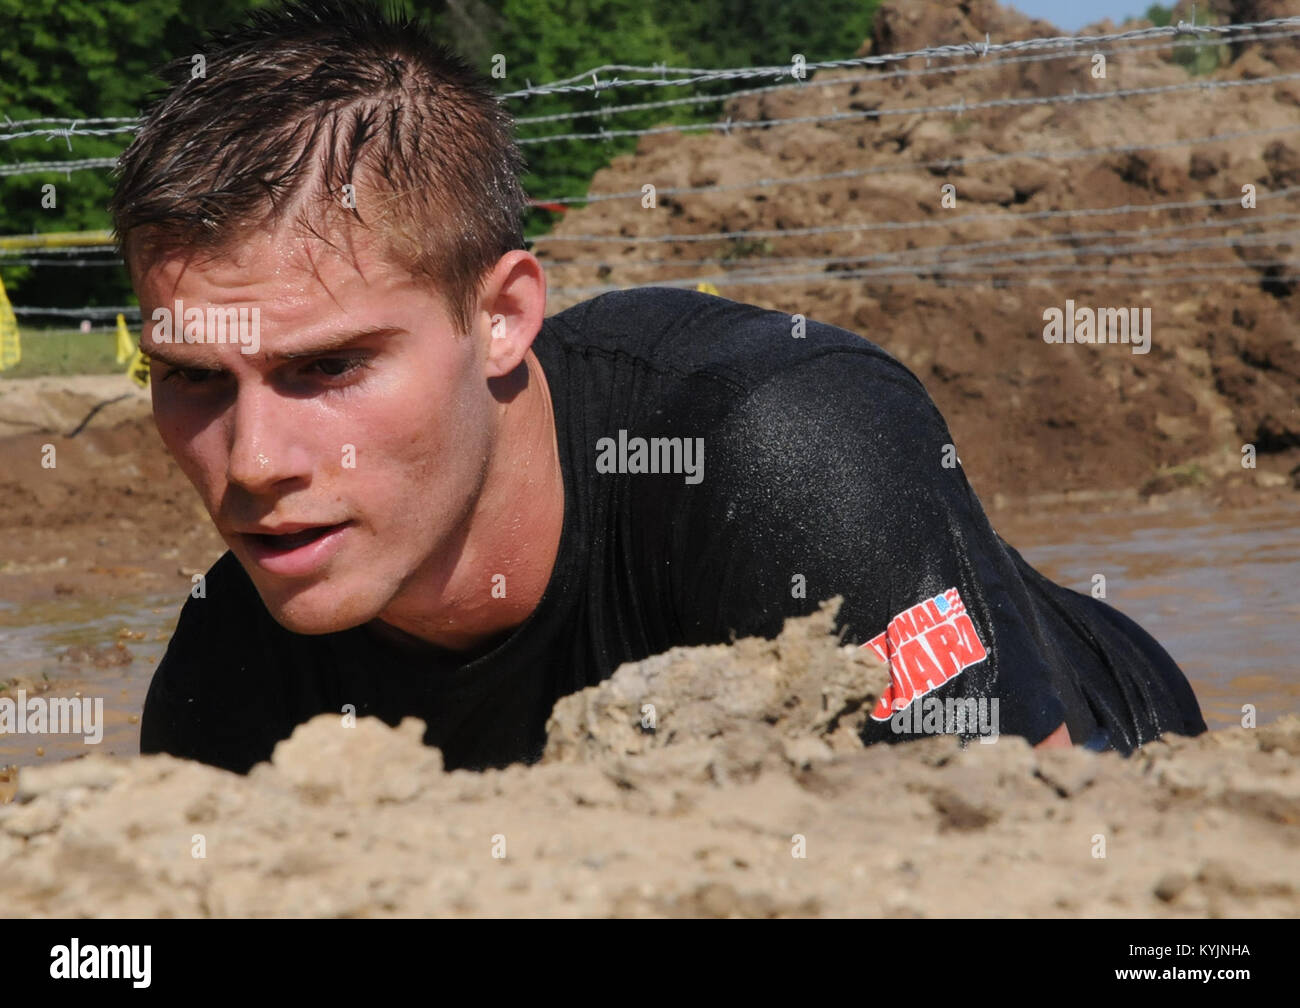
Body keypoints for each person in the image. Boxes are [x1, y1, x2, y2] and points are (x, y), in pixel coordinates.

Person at [112, 0, 1205, 774]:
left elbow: (1022, 850)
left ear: (500, 320)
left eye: (327, 367)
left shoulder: (782, 445)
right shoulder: (229, 679)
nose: (253, 461)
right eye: (194, 379)